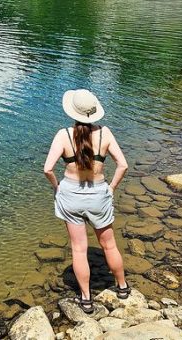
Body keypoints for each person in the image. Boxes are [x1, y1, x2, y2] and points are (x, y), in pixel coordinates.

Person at [43, 88, 130, 313]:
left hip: (70, 195)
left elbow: (48, 169)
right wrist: (110, 188)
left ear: (73, 111)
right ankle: (122, 287)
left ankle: (86, 299)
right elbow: (123, 165)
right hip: (98, 195)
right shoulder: (105, 134)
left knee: (79, 249)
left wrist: (58, 188)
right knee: (109, 245)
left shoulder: (63, 135)